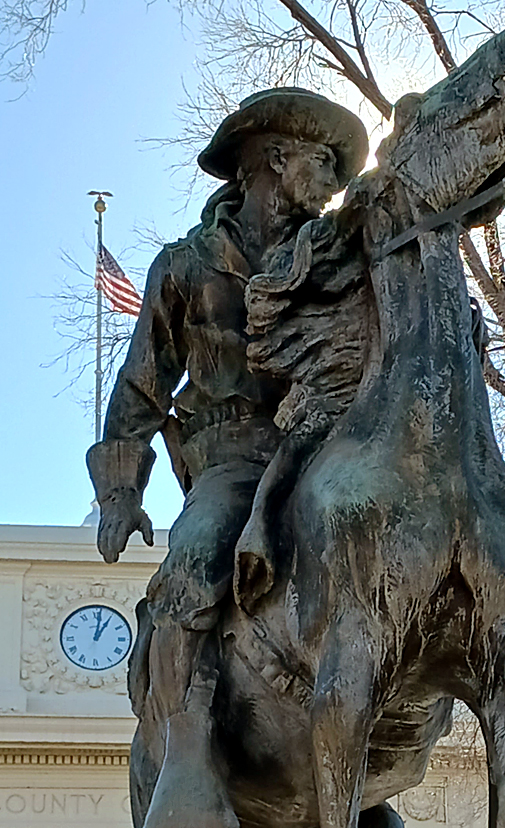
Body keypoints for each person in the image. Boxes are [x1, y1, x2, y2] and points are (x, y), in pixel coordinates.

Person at [86, 88, 371, 828]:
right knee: (200, 555)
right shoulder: (186, 267)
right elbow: (142, 382)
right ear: (274, 160)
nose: (333, 181)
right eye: (322, 163)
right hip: (233, 458)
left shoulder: (339, 256)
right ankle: (186, 746)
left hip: (327, 446)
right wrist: (121, 490)